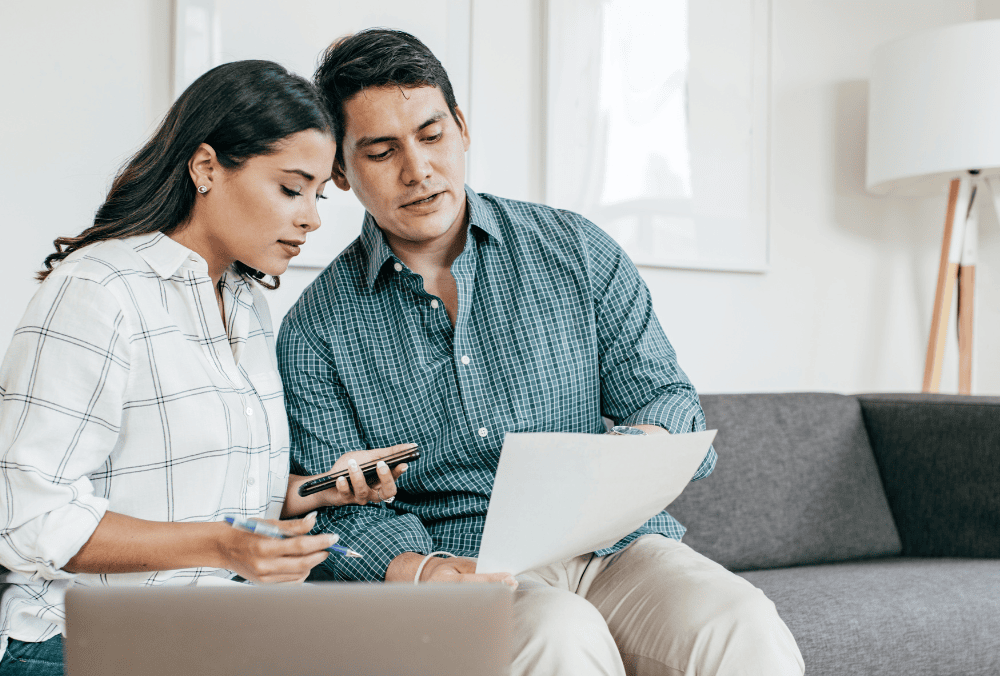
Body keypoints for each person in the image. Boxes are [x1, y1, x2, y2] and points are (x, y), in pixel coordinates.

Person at [277, 28, 805, 676]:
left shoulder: (576, 250)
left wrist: (638, 447)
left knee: (741, 622)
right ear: (340, 169)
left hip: (619, 549)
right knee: (559, 633)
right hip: (466, 570)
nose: (418, 171)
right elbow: (336, 520)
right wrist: (424, 571)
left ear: (462, 126)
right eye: (382, 152)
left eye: (432, 134)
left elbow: (666, 397)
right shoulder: (314, 333)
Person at [0, 60, 411, 676]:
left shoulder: (247, 306)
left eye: (318, 195)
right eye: (291, 188)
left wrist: (313, 490)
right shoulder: (97, 291)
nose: (312, 218)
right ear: (206, 168)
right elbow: (27, 517)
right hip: (82, 640)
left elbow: (215, 500)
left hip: (218, 631)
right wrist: (222, 547)